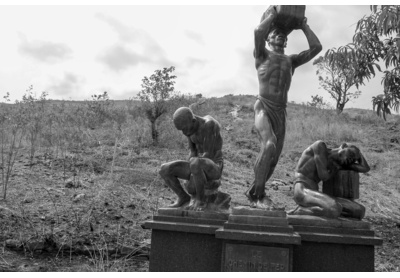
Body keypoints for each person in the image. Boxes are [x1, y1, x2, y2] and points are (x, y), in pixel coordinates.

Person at [246, 7, 322, 209]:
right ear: (268, 39)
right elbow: (257, 32)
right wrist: (271, 16)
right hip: (263, 106)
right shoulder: (261, 55)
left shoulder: (291, 61)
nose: (280, 35)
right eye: (275, 33)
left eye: (283, 34)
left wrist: (304, 26)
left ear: (287, 41)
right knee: (269, 145)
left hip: (281, 110)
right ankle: (259, 196)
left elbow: (316, 47)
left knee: (272, 158)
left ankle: (255, 191)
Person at [159, 107, 223, 211]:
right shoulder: (190, 130)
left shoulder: (209, 125)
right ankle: (183, 197)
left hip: (214, 167)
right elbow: (193, 152)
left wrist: (192, 173)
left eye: (184, 129)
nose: (184, 132)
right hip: (197, 164)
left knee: (195, 163)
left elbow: (209, 154)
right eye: (181, 130)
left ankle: (200, 200)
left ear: (193, 121)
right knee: (165, 169)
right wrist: (186, 169)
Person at [289, 140, 370, 219]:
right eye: (351, 154)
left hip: (315, 193)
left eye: (353, 160)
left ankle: (325, 209)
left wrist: (358, 154)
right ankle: (301, 210)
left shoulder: (338, 163)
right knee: (334, 208)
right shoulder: (320, 146)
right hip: (302, 189)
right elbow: (323, 176)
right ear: (344, 146)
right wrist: (336, 168)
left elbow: (365, 168)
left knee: (359, 211)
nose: (351, 159)